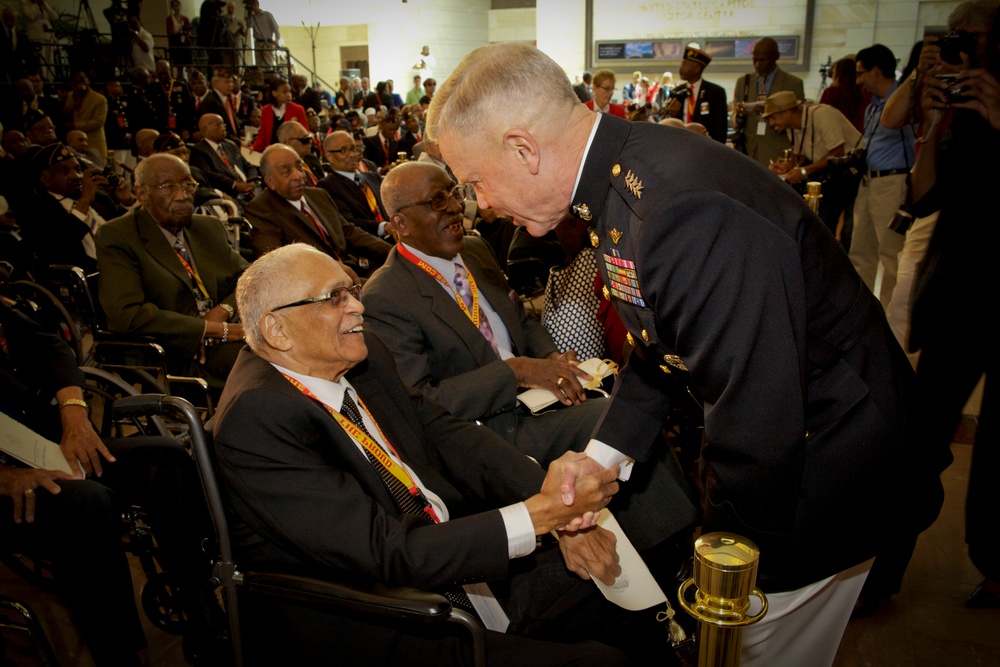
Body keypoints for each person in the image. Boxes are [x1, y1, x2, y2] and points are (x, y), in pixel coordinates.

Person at [426, 42, 946, 667]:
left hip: (825, 472)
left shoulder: (679, 208)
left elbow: (757, 417)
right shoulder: (626, 176)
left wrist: (724, 557)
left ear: (522, 149)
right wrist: (602, 458)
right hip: (803, 456)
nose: (480, 203)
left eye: (474, 181)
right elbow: (662, 346)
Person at [212, 242, 671, 666]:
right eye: (334, 298)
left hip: (450, 561)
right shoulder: (257, 418)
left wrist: (559, 509)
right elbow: (387, 553)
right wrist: (538, 518)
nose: (358, 305)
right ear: (276, 328)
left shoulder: (360, 357)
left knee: (630, 605)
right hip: (384, 614)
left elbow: (447, 434)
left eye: (351, 289)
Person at [362, 160, 699, 555]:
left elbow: (518, 316)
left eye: (454, 192)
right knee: (612, 422)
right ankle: (675, 548)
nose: (455, 206)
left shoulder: (473, 249)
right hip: (493, 427)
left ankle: (657, 538)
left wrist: (551, 356)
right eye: (437, 200)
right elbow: (421, 403)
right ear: (400, 224)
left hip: (539, 395)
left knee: (629, 397)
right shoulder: (385, 296)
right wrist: (519, 372)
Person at [906, 0, 1000, 611]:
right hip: (961, 289)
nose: (962, 47)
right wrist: (933, 124)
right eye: (955, 36)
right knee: (917, 439)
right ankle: (882, 569)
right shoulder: (959, 110)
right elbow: (923, 195)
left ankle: (994, 566)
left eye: (974, 37)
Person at [95, 154, 248, 389]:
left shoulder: (207, 227)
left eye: (188, 185)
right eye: (168, 187)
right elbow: (127, 315)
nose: (183, 195)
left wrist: (223, 310)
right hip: (174, 354)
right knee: (271, 364)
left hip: (225, 336)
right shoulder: (118, 236)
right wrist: (207, 330)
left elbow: (249, 277)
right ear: (142, 193)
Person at [245, 143, 391, 277]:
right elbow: (278, 264)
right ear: (269, 181)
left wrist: (393, 251)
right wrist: (333, 268)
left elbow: (348, 231)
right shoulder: (260, 210)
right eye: (286, 171)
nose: (298, 175)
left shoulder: (318, 195)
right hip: (320, 283)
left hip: (353, 267)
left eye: (299, 167)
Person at [849, 44, 917, 306]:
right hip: (868, 182)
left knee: (890, 254)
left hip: (893, 182)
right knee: (860, 251)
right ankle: (861, 312)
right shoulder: (872, 107)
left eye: (861, 73)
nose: (858, 81)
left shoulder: (904, 101)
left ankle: (888, 318)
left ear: (876, 71)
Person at [761, 90, 862, 236]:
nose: (771, 123)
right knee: (824, 220)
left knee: (850, 227)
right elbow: (800, 158)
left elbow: (837, 153)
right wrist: (787, 168)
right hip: (831, 177)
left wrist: (803, 171)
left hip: (853, 175)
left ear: (787, 113)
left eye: (773, 118)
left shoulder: (823, 115)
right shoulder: (793, 128)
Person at [731, 37, 805, 163]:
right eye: (754, 60)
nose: (757, 65)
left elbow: (798, 122)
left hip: (777, 152)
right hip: (749, 152)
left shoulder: (792, 84)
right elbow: (734, 120)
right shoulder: (744, 82)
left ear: (776, 57)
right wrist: (740, 114)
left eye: (762, 60)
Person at [317, 130, 391, 238]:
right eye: (343, 150)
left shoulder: (374, 177)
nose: (351, 155)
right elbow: (347, 223)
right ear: (329, 156)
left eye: (353, 149)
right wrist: (384, 227)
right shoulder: (327, 186)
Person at [665, 46, 728, 143]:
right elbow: (668, 125)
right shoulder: (676, 92)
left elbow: (720, 128)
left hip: (705, 146)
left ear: (697, 69)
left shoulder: (715, 92)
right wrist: (672, 114)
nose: (680, 68)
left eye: (685, 64)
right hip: (680, 144)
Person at [189, 113, 258, 198]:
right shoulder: (199, 150)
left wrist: (251, 181)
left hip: (248, 191)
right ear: (205, 129)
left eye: (223, 125)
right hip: (226, 195)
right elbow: (208, 175)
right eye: (218, 125)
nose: (223, 128)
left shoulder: (230, 145)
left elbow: (247, 165)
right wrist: (235, 185)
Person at [252, 76, 308, 152]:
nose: (289, 95)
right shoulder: (266, 110)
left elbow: (305, 134)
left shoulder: (298, 109)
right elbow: (262, 136)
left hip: (292, 152)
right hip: (272, 151)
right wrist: (253, 147)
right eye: (284, 92)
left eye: (289, 92)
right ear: (274, 93)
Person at [819, 57, 872, 133]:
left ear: (838, 74)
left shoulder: (831, 92)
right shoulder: (865, 92)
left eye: (834, 73)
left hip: (837, 136)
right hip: (861, 135)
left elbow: (821, 115)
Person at [63, 71, 109, 159]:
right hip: (76, 144)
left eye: (82, 80)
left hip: (94, 142)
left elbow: (98, 122)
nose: (79, 83)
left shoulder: (100, 99)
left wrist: (75, 125)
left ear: (88, 81)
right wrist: (75, 97)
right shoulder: (70, 95)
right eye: (76, 81)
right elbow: (66, 112)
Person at [247, 0, 280, 66]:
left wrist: (276, 40)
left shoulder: (267, 15)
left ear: (257, 4)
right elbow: (248, 25)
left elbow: (276, 28)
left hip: (267, 42)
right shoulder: (252, 17)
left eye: (253, 4)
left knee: (267, 63)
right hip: (258, 42)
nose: (252, 7)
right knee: (258, 63)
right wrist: (248, 14)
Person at [166, 0, 194, 69]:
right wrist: (180, 29)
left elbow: (190, 29)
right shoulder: (169, 19)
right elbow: (171, 31)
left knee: (189, 64)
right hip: (176, 42)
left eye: (178, 5)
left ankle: (189, 78)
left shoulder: (185, 18)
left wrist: (188, 33)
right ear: (172, 7)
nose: (177, 7)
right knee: (179, 65)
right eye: (175, 5)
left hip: (185, 41)